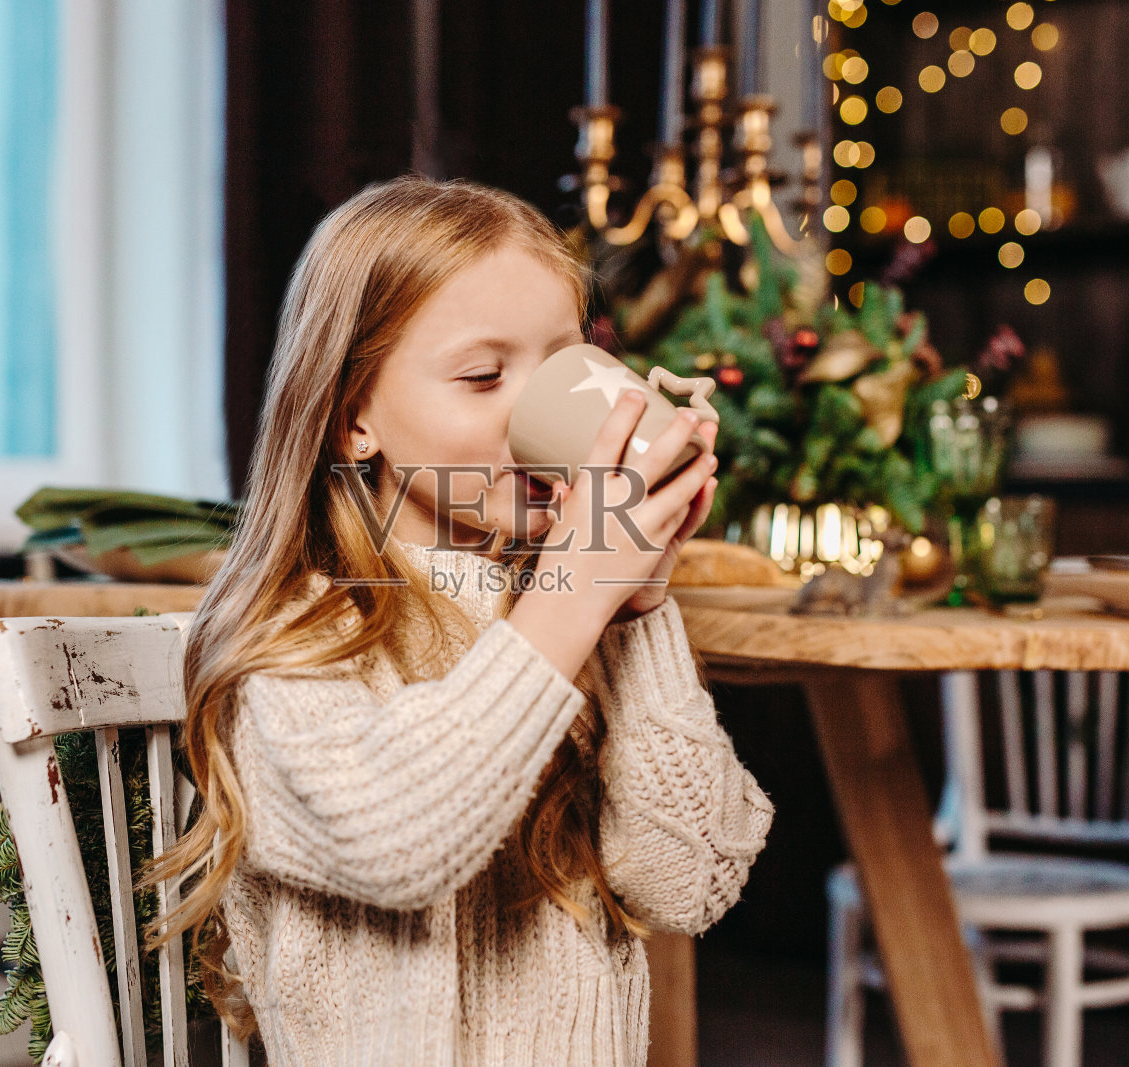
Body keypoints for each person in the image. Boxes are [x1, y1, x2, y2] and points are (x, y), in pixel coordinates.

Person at [151, 175, 774, 1067]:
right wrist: (576, 590)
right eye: (483, 377)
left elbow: (686, 880)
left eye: (565, 364)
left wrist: (637, 608)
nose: (531, 412)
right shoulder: (293, 639)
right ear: (350, 417)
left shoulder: (568, 618)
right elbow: (402, 840)